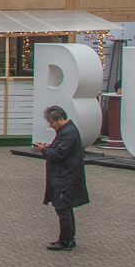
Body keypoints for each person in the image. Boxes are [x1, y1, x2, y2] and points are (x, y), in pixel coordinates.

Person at [35, 104, 88, 251]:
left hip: (65, 177)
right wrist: (48, 147)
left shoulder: (68, 133)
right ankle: (68, 238)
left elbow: (59, 154)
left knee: (63, 208)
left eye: (52, 122)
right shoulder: (68, 131)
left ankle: (66, 241)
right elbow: (60, 150)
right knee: (65, 208)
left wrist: (44, 150)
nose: (51, 126)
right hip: (65, 176)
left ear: (60, 119)